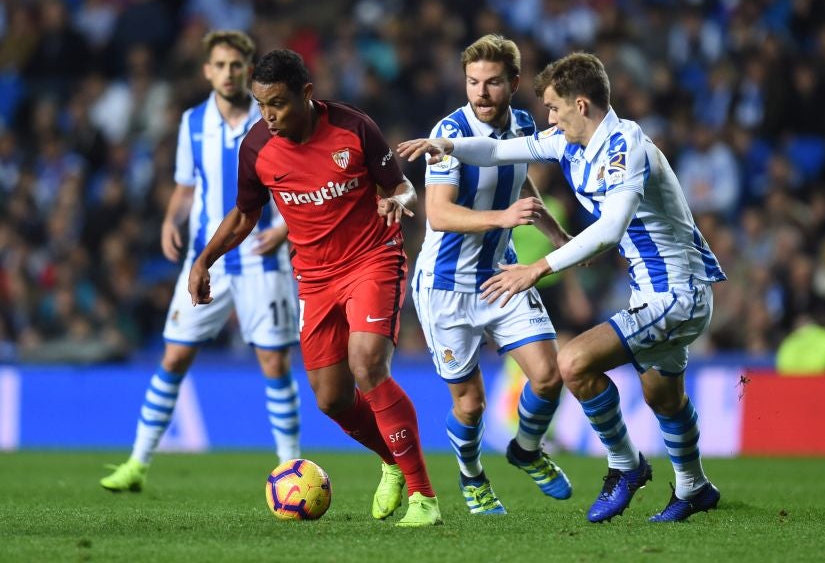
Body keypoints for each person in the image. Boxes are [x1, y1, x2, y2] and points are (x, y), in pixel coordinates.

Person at [398, 52, 726, 523]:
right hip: (651, 292)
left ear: (581, 104)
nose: (548, 118)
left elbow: (611, 229)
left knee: (572, 362)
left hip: (677, 292)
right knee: (663, 397)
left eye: (554, 108)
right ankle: (694, 487)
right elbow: (494, 151)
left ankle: (624, 466)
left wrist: (538, 267)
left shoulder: (624, 145)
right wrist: (447, 148)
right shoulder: (567, 141)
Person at [187, 49, 442, 527]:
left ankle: (424, 498)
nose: (269, 115)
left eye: (278, 104)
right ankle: (391, 460)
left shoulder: (354, 128)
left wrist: (398, 202)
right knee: (331, 399)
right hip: (315, 278)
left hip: (373, 258)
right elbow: (245, 214)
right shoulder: (258, 148)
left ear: (307, 94)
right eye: (262, 105)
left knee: (367, 363)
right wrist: (205, 260)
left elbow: (401, 187)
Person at [101, 31, 302, 492]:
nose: (228, 73)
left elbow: (300, 177)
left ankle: (290, 468)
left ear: (250, 71)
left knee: (274, 363)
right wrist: (171, 219)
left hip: (259, 257)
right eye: (220, 65)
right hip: (205, 258)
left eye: (237, 65)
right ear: (206, 71)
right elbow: (187, 186)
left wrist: (285, 228)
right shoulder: (193, 123)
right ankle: (137, 463)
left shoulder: (271, 117)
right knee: (174, 355)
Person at [413, 34, 572, 515]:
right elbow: (439, 215)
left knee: (548, 376)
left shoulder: (524, 125)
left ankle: (525, 448)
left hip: (501, 277)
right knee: (471, 404)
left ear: (515, 83)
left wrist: (559, 238)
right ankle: (472, 477)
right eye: (472, 82)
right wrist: (503, 220)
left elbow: (519, 183)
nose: (480, 93)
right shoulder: (448, 136)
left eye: (493, 82)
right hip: (446, 287)